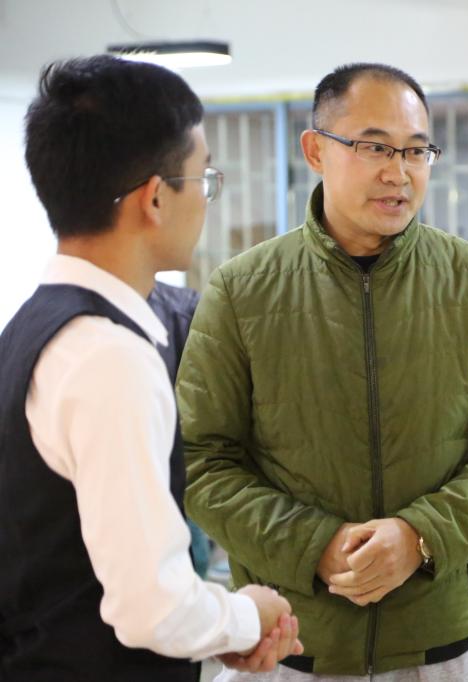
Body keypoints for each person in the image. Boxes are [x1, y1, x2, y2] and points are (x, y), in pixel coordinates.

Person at [177, 62, 468, 680]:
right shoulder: (242, 291)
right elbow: (199, 459)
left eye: (416, 151)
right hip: (290, 642)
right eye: (375, 147)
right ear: (315, 151)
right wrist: (314, 545)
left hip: (440, 643)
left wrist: (420, 536)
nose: (398, 172)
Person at [0, 55, 302, 681]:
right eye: (203, 178)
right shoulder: (109, 357)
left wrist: (214, 628)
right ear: (157, 197)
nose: (207, 199)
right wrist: (247, 615)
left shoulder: (33, 325)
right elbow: (153, 608)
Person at [148, 280, 212, 578]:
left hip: (183, 467)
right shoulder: (182, 307)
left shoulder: (183, 308)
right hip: (162, 468)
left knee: (194, 560)